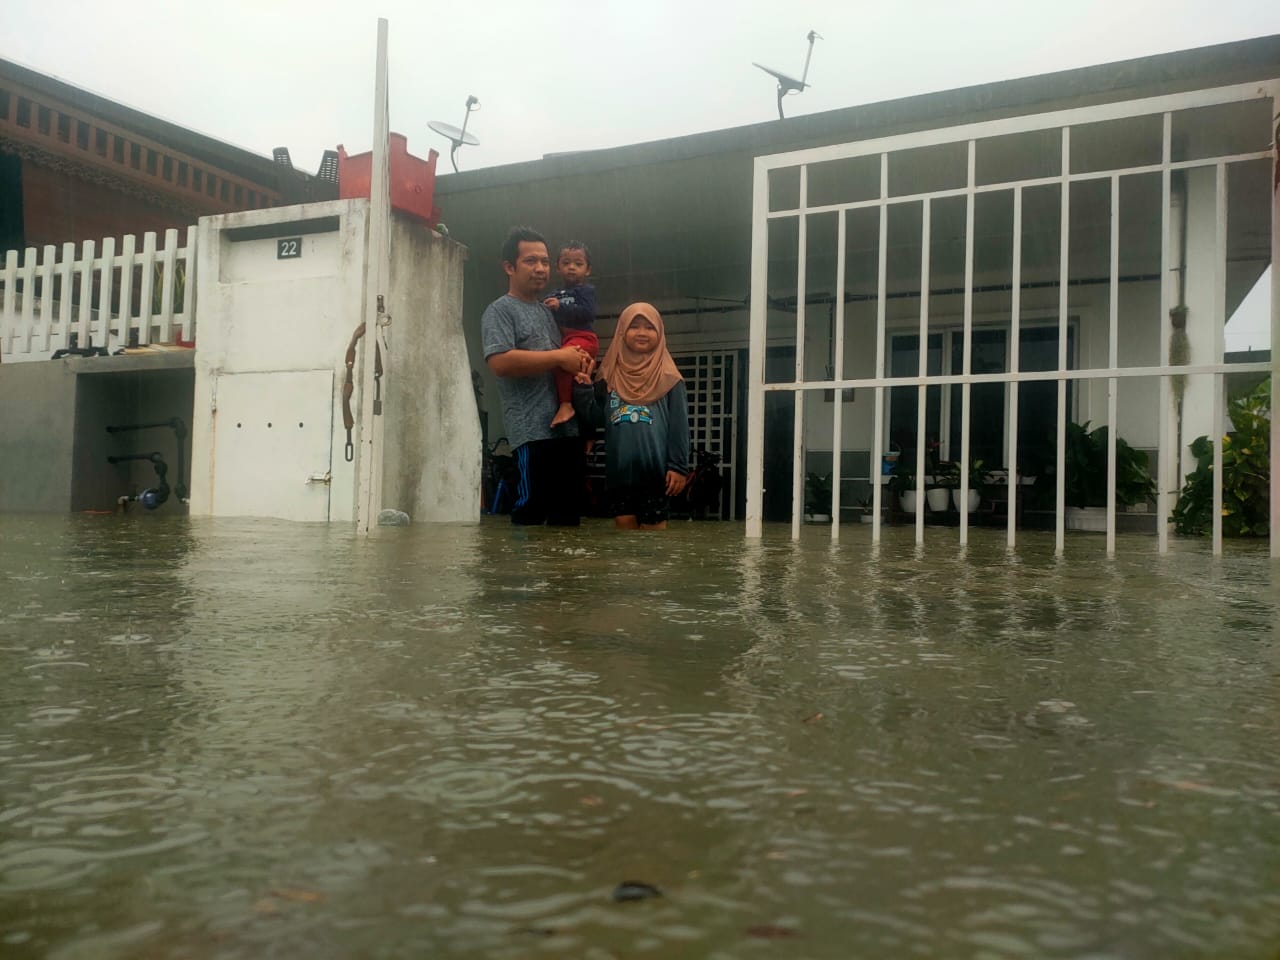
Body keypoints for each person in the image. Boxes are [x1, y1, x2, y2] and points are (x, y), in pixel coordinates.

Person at [481, 226, 593, 526]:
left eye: (545, 261)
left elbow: (570, 357)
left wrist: (581, 365)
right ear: (509, 266)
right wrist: (559, 357)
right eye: (531, 261)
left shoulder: (550, 312)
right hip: (532, 434)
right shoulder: (500, 311)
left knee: (568, 519)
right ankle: (526, 573)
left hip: (567, 432)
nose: (541, 268)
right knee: (530, 512)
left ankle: (563, 575)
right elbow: (500, 362)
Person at [574, 302, 689, 530]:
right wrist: (584, 390)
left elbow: (679, 426)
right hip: (619, 474)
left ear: (660, 332)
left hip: (656, 475)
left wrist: (678, 467)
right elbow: (596, 419)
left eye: (649, 327)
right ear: (622, 331)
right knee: (625, 549)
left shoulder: (670, 378)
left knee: (653, 547)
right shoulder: (607, 375)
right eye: (634, 327)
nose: (642, 333)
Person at [543, 242, 598, 429]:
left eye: (578, 263)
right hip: (565, 340)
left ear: (588, 270)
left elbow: (588, 313)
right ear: (558, 267)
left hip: (584, 337)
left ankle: (566, 405)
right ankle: (584, 429)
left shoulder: (586, 291)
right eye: (566, 263)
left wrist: (560, 307)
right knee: (572, 377)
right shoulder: (554, 294)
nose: (571, 267)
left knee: (564, 363)